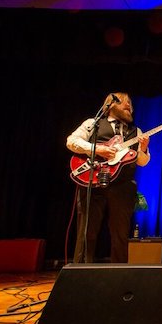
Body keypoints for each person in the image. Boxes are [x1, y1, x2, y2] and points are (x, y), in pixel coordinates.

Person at [67, 92, 150, 263]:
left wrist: (143, 149)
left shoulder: (136, 131)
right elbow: (71, 141)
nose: (129, 105)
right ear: (110, 105)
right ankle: (80, 274)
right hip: (93, 181)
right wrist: (97, 149)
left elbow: (142, 162)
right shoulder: (93, 123)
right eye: (124, 102)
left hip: (123, 186)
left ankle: (118, 277)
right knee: (86, 231)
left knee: (120, 234)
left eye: (130, 103)